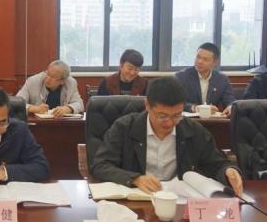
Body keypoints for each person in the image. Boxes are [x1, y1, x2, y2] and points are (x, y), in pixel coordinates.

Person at [89, 76, 244, 196]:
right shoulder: (124, 127)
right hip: (137, 200)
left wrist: (228, 171)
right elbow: (100, 165)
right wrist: (135, 178)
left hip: (178, 201)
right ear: (147, 105)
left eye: (176, 115)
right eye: (162, 116)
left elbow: (216, 163)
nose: (169, 123)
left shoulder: (193, 130)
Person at [174, 42, 236, 116]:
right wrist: (194, 108)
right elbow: (176, 101)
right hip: (188, 119)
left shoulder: (222, 79)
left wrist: (230, 107)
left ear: (215, 62)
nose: (200, 61)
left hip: (212, 120)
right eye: (198, 57)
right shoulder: (181, 77)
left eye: (205, 59)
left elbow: (229, 99)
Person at [16, 60, 84, 117]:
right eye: (47, 74)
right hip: (37, 123)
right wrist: (34, 108)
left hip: (61, 123)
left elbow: (80, 104)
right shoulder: (33, 81)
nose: (47, 79)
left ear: (62, 81)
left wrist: (68, 108)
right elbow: (16, 103)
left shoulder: (71, 83)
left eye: (52, 77)